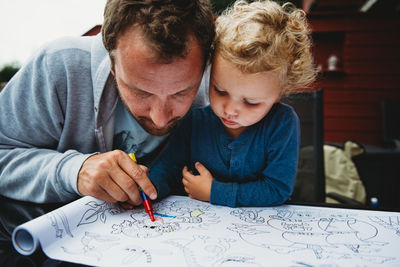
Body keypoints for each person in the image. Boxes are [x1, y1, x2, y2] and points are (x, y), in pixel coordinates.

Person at [0, 0, 215, 204]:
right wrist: (74, 170)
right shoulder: (58, 68)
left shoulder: (222, 84)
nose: (159, 119)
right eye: (141, 92)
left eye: (181, 93)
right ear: (111, 63)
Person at [148, 0, 317, 207]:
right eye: (220, 91)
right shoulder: (194, 121)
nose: (229, 110)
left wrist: (214, 192)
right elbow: (168, 168)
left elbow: (277, 189)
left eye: (251, 102)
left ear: (280, 94)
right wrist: (148, 188)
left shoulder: (282, 123)